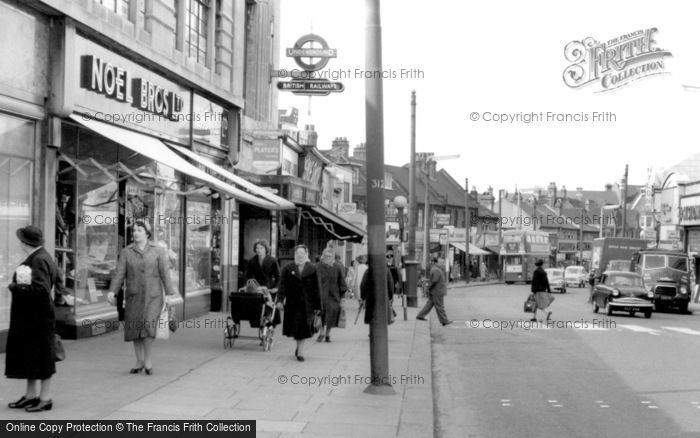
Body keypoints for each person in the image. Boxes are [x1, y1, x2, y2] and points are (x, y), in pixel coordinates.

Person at [107, 221, 177, 375]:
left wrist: (169, 294)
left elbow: (165, 273)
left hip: (153, 296)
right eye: (134, 230)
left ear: (147, 233)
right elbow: (119, 273)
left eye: (139, 230)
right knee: (134, 328)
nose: (135, 233)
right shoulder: (126, 252)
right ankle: (139, 361)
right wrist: (113, 291)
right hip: (133, 295)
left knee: (148, 326)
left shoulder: (158, 251)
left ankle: (148, 360)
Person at [6, 226, 59, 412]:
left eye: (21, 240)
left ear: (25, 242)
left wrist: (15, 287)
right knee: (33, 356)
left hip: (38, 318)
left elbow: (41, 290)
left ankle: (45, 398)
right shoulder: (41, 256)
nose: (20, 243)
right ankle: (31, 396)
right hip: (35, 317)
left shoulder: (38, 260)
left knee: (42, 357)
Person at [276, 245, 322, 362]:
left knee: (304, 327)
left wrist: (318, 306)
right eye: (298, 254)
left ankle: (300, 351)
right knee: (296, 328)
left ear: (307, 255)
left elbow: (317, 288)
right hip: (292, 303)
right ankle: (298, 347)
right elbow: (282, 286)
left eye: (302, 254)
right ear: (295, 255)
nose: (300, 256)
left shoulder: (313, 269)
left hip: (308, 304)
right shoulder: (287, 268)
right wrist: (280, 300)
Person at [316, 248, 347, 342]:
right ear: (323, 256)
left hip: (333, 295)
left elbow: (341, 282)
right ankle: (321, 332)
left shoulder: (336, 267)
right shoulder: (317, 267)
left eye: (330, 256)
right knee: (320, 313)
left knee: (332, 314)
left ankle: (328, 334)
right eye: (326, 256)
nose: (328, 258)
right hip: (320, 295)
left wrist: (342, 298)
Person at [416, 257, 452, 326]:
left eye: (442, 262)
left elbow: (433, 281)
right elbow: (435, 280)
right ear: (435, 263)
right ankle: (444, 321)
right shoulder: (436, 270)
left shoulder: (435, 269)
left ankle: (420, 315)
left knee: (429, 305)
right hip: (437, 291)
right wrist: (428, 287)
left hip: (435, 291)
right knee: (440, 306)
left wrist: (428, 288)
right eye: (440, 262)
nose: (442, 264)